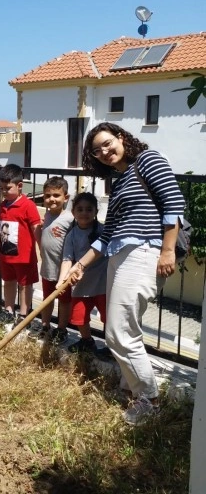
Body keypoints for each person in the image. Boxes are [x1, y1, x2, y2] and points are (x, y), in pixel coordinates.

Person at [65, 122, 185, 425]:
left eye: (108, 143)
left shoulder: (149, 160)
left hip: (144, 252)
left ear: (121, 138)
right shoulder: (118, 182)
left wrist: (167, 250)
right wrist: (80, 265)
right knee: (126, 329)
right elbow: (106, 237)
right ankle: (130, 389)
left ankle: (150, 400)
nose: (104, 152)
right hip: (119, 256)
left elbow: (173, 204)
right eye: (97, 150)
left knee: (117, 332)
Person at [58, 193, 108, 354]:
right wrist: (61, 281)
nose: (84, 213)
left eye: (89, 209)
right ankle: (87, 341)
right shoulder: (72, 235)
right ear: (73, 212)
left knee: (109, 319)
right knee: (79, 317)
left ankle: (113, 348)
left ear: (96, 211)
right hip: (81, 285)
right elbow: (67, 259)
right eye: (80, 209)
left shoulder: (102, 231)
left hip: (103, 284)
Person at [0, 164, 42, 324]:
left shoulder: (28, 205)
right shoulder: (3, 205)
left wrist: (41, 249)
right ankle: (8, 309)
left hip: (24, 256)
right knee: (8, 282)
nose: (3, 191)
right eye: (1, 188)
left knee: (25, 285)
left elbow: (36, 227)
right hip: (6, 255)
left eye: (7, 188)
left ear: (19, 186)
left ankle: (24, 314)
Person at [36, 176, 74, 343]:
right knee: (47, 299)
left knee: (64, 302)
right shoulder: (47, 216)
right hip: (47, 267)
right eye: (47, 195)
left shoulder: (70, 219)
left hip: (62, 271)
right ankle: (45, 325)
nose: (51, 199)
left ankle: (61, 328)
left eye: (56, 195)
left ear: (66, 197)